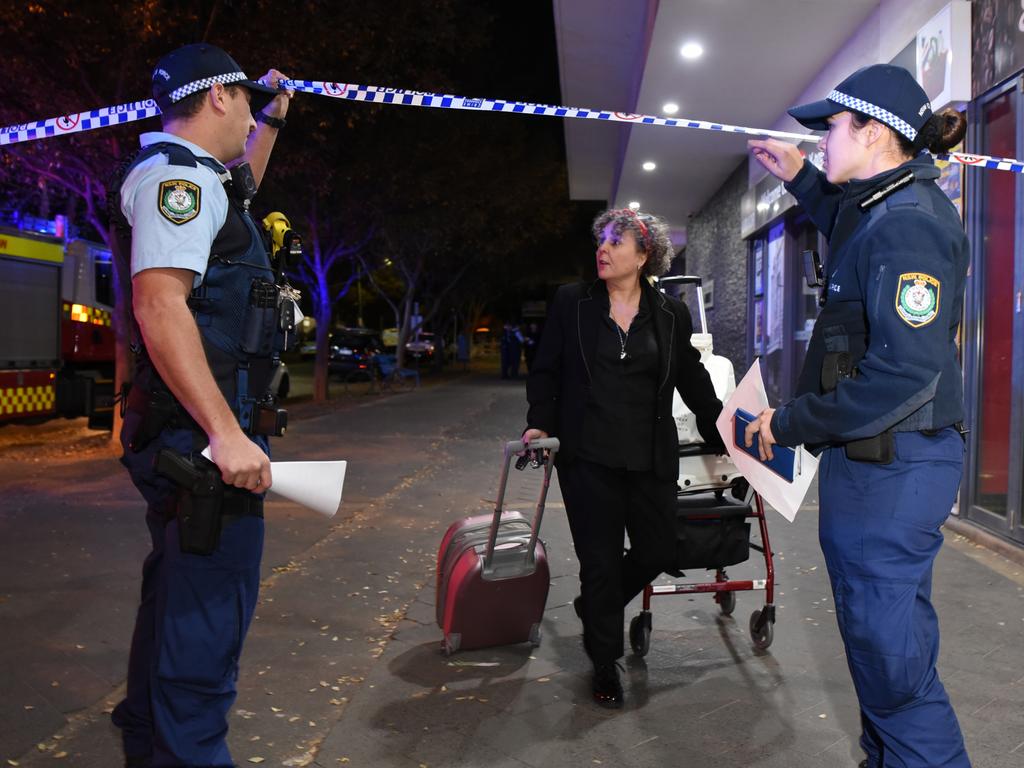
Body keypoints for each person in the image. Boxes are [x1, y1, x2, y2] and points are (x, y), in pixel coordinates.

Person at [746, 64, 970, 768]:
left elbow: (904, 375)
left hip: (892, 464)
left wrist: (788, 422)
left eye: (830, 129)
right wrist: (799, 177)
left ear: (874, 132)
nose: (819, 144)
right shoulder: (884, 208)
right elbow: (850, 229)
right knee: (883, 651)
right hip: (874, 465)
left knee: (892, 666)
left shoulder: (910, 227)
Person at [110, 43, 294, 767]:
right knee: (204, 627)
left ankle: (147, 744)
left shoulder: (201, 181)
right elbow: (161, 305)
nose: (248, 112)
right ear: (218, 96)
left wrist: (273, 121)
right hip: (203, 448)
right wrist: (226, 433)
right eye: (245, 100)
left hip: (195, 438)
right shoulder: (175, 180)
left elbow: (239, 195)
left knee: (176, 605)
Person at [522, 208, 724, 708]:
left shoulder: (671, 314)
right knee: (601, 561)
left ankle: (595, 609)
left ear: (644, 254)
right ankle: (604, 660)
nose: (603, 249)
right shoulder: (573, 303)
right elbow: (546, 367)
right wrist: (539, 421)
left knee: (658, 551)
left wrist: (723, 424)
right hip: (588, 456)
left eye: (615, 242)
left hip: (649, 456)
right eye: (601, 241)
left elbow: (692, 378)